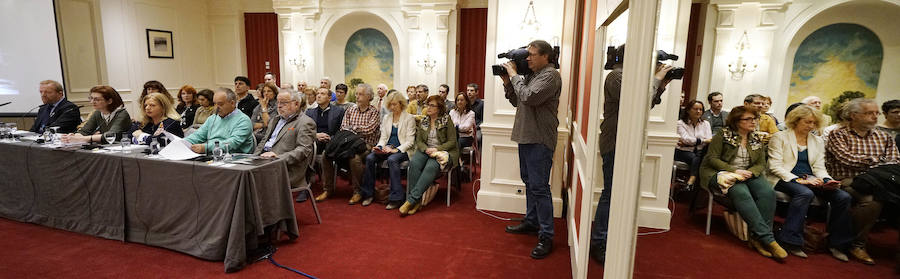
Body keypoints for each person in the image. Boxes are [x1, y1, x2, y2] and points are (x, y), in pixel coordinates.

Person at [590, 44, 674, 264]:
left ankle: (610, 237)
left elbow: (643, 107)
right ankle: (599, 242)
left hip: (627, 143)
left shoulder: (632, 78)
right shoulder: (616, 76)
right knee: (610, 194)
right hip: (615, 142)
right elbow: (637, 103)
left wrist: (661, 86)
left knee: (619, 194)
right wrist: (656, 78)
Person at [498, 40, 561, 260]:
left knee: (540, 188)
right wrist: (508, 82)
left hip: (540, 139)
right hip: (526, 136)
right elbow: (518, 101)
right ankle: (532, 222)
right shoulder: (531, 76)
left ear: (545, 56)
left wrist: (514, 75)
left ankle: (547, 236)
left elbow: (529, 97)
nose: (527, 58)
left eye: (532, 55)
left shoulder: (550, 75)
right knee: (530, 183)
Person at [700, 105, 787, 260]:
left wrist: (751, 172)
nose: (753, 122)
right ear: (737, 121)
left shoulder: (756, 137)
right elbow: (712, 159)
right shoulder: (723, 134)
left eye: (754, 119)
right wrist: (734, 170)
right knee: (742, 193)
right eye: (748, 119)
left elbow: (761, 163)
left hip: (748, 173)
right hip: (722, 172)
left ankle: (756, 238)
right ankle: (768, 239)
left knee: (768, 193)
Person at [767, 105, 853, 261]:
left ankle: (837, 244)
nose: (811, 126)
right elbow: (775, 166)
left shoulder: (817, 141)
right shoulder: (780, 137)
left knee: (843, 197)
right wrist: (798, 180)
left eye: (814, 123)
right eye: (807, 122)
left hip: (810, 178)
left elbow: (819, 167)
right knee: (804, 193)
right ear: (796, 120)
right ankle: (790, 240)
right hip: (784, 177)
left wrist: (827, 180)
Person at [825, 98, 900, 265]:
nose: (875, 117)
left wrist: (870, 162)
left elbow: (895, 161)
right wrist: (878, 160)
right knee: (871, 201)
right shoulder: (839, 134)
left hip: (879, 181)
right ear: (853, 115)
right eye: (869, 113)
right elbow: (847, 159)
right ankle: (856, 244)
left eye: (876, 113)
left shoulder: (884, 136)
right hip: (847, 179)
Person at [320, 84, 379, 204]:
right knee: (326, 154)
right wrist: (356, 130)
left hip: (366, 144)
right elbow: (343, 128)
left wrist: (353, 128)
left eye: (360, 94)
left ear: (369, 97)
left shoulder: (374, 112)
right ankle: (328, 189)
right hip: (348, 143)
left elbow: (370, 130)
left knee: (354, 158)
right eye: (356, 94)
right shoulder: (351, 109)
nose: (357, 96)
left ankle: (357, 192)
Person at [400, 95, 459, 216]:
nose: (428, 107)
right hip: (426, 150)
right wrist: (425, 149)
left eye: (432, 105)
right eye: (428, 105)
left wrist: (437, 149)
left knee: (430, 167)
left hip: (441, 151)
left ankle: (411, 200)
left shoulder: (446, 120)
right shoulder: (424, 120)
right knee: (414, 164)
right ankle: (416, 202)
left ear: (439, 108)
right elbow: (419, 140)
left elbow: (452, 141)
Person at [254, 89, 316, 202]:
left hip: (285, 167)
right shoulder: (275, 120)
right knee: (239, 173)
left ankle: (265, 211)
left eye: (283, 103)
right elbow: (263, 142)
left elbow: (303, 150)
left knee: (249, 179)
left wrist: (278, 157)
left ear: (296, 104)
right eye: (278, 102)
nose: (279, 106)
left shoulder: (305, 122)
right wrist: (253, 158)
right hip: (264, 161)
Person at [361, 91, 416, 210]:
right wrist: (379, 147)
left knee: (392, 160)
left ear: (401, 104)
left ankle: (396, 198)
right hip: (387, 148)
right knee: (370, 158)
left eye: (394, 104)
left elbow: (410, 142)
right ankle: (368, 194)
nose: (392, 107)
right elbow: (383, 138)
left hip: (403, 150)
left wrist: (396, 150)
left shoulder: (409, 118)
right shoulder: (387, 117)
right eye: (390, 104)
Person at [185, 88, 254, 154]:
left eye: (220, 104)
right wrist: (184, 142)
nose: (216, 108)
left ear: (232, 103)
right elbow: (198, 135)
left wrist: (206, 147)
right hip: (212, 156)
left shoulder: (243, 120)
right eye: (214, 104)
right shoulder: (212, 118)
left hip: (235, 158)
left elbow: (233, 143)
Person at [308, 87, 347, 201]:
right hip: (314, 141)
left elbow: (342, 130)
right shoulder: (310, 112)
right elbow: (305, 130)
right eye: (317, 93)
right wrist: (316, 135)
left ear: (329, 98)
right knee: (304, 148)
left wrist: (330, 138)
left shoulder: (339, 111)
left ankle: (326, 189)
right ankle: (305, 182)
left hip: (331, 142)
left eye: (322, 94)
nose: (319, 95)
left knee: (325, 153)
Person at [61, 85, 130, 144]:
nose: (92, 102)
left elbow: (111, 135)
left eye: (97, 99)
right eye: (91, 98)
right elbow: (85, 131)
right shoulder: (97, 112)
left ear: (109, 101)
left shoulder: (122, 114)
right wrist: (73, 137)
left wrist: (83, 139)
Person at [676, 100, 712, 187]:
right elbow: (685, 139)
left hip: (700, 151)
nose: (698, 111)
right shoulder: (680, 123)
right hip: (683, 151)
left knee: (701, 157)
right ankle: (692, 181)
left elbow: (709, 139)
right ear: (688, 110)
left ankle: (692, 184)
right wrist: (702, 141)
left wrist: (691, 143)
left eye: (700, 109)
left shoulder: (705, 124)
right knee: (695, 158)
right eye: (695, 109)